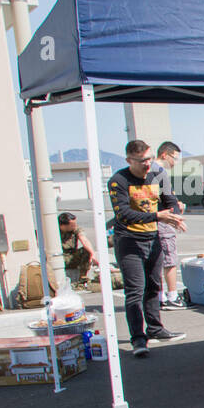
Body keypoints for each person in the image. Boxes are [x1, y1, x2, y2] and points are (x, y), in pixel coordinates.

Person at [107, 140, 187, 357]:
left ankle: (155, 328)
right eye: (142, 161)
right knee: (135, 291)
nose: (147, 164)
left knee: (153, 286)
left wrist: (174, 215)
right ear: (129, 160)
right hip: (129, 241)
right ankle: (138, 339)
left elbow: (169, 201)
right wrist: (158, 215)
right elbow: (123, 214)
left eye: (150, 159)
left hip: (153, 238)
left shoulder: (158, 176)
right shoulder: (118, 181)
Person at [153, 141, 186, 309]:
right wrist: (176, 213)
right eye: (174, 158)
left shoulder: (149, 171)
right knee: (169, 259)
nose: (175, 162)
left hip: (155, 220)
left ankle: (159, 297)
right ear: (164, 155)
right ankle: (172, 296)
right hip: (164, 220)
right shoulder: (159, 171)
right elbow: (168, 198)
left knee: (158, 260)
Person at [58, 213, 97, 284]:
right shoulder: (53, 231)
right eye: (72, 225)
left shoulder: (75, 229)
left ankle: (82, 277)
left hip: (72, 256)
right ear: (63, 225)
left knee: (86, 251)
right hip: (60, 258)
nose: (75, 226)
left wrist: (92, 254)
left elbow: (84, 240)